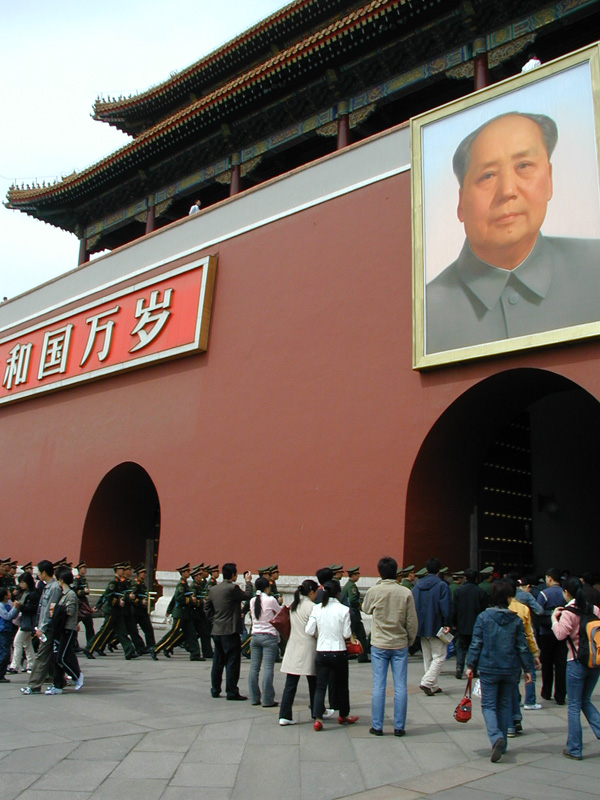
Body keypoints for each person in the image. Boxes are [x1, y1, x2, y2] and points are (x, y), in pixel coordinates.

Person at [426, 112, 600, 355]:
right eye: (488, 176)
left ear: (549, 179)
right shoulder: (427, 312)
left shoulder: (595, 266)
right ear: (461, 203)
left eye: (523, 166)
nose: (507, 190)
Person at [466, 579, 534, 762]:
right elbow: (522, 646)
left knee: (488, 705)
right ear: (509, 598)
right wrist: (527, 669)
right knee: (504, 705)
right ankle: (502, 743)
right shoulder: (515, 619)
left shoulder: (483, 617)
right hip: (510, 668)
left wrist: (470, 665)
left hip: (489, 667)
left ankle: (496, 737)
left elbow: (476, 643)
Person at [362, 556, 418, 736]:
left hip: (379, 643)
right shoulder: (405, 592)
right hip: (399, 643)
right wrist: (410, 640)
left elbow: (365, 608)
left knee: (378, 685)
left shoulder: (374, 591)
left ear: (380, 572)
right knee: (400, 686)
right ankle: (399, 727)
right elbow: (412, 621)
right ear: (396, 572)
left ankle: (377, 726)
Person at [551, 576, 600, 760]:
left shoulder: (568, 612)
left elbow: (560, 634)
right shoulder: (594, 609)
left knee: (574, 705)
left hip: (576, 662)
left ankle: (574, 748)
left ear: (566, 592)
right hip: (594, 662)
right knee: (585, 700)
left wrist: (554, 619)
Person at [305, 579, 358, 731]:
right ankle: (344, 714)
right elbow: (346, 634)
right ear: (338, 593)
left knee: (320, 686)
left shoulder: (317, 609)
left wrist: (320, 634)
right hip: (338, 651)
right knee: (342, 685)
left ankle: (318, 718)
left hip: (322, 651)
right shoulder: (344, 610)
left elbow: (309, 630)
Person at [205, 563, 253, 700]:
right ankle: (231, 691)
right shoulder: (232, 588)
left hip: (217, 630)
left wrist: (214, 621)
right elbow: (248, 595)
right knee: (232, 662)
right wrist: (248, 582)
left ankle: (215, 689)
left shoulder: (214, 589)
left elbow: (207, 608)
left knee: (218, 661)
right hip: (230, 630)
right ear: (233, 575)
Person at [279, 579, 319, 726]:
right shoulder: (312, 607)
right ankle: (316, 711)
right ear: (311, 592)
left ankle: (284, 715)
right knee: (314, 683)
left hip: (294, 645)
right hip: (308, 647)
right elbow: (315, 629)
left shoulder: (294, 605)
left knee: (290, 683)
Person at [21, 560, 63, 695]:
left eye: (39, 571)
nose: (38, 574)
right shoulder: (47, 587)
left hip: (48, 628)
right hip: (44, 627)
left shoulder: (54, 588)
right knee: (49, 657)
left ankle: (34, 685)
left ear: (44, 572)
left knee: (42, 656)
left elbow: (50, 611)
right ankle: (59, 680)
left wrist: (42, 628)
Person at [412, 557, 451, 695]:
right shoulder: (442, 586)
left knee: (427, 656)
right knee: (439, 656)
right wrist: (447, 623)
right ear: (439, 570)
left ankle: (433, 685)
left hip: (421, 626)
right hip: (436, 624)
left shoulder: (416, 587)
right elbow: (445, 606)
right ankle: (427, 682)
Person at [46, 567, 84, 694]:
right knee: (57, 657)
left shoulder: (71, 594)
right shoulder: (63, 594)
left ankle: (76, 675)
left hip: (68, 629)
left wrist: (57, 610)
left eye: (58, 579)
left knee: (61, 658)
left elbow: (70, 611)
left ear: (61, 580)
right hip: (61, 629)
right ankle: (57, 685)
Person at [248, 576, 280, 707]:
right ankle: (267, 699)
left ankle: (254, 697)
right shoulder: (271, 600)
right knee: (268, 668)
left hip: (255, 635)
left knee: (254, 668)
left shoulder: (252, 601)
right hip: (269, 636)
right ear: (267, 587)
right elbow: (280, 613)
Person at [538, 567, 567, 705]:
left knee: (547, 663)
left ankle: (546, 691)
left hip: (546, 633)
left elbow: (538, 611)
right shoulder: (564, 592)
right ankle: (560, 695)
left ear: (549, 578)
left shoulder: (544, 593)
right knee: (561, 664)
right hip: (562, 632)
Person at [452, 568, 487, 680]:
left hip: (462, 623)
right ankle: (473, 669)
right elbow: (484, 609)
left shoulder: (458, 591)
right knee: (475, 647)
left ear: (465, 578)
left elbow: (454, 609)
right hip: (476, 624)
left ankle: (459, 667)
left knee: (461, 647)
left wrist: (454, 623)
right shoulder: (480, 592)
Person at [8, 571, 39, 674]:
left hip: (28, 621)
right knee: (27, 643)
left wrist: (20, 606)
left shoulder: (33, 594)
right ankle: (31, 664)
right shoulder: (23, 592)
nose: (21, 585)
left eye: (22, 582)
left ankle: (14, 665)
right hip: (22, 620)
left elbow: (32, 608)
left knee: (17, 642)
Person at [341, 566, 369, 662]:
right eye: (357, 574)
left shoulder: (348, 585)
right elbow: (353, 600)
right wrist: (360, 605)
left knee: (351, 634)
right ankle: (362, 656)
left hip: (350, 613)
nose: (358, 576)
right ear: (353, 575)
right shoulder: (352, 586)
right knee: (360, 635)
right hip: (354, 614)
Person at [0, 587, 20, 682]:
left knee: (6, 652)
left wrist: (15, 608)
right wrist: (15, 608)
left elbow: (13, 616)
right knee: (4, 653)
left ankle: (2, 673)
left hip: (7, 630)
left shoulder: (8, 604)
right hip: (3, 630)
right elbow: (7, 616)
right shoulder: (1, 606)